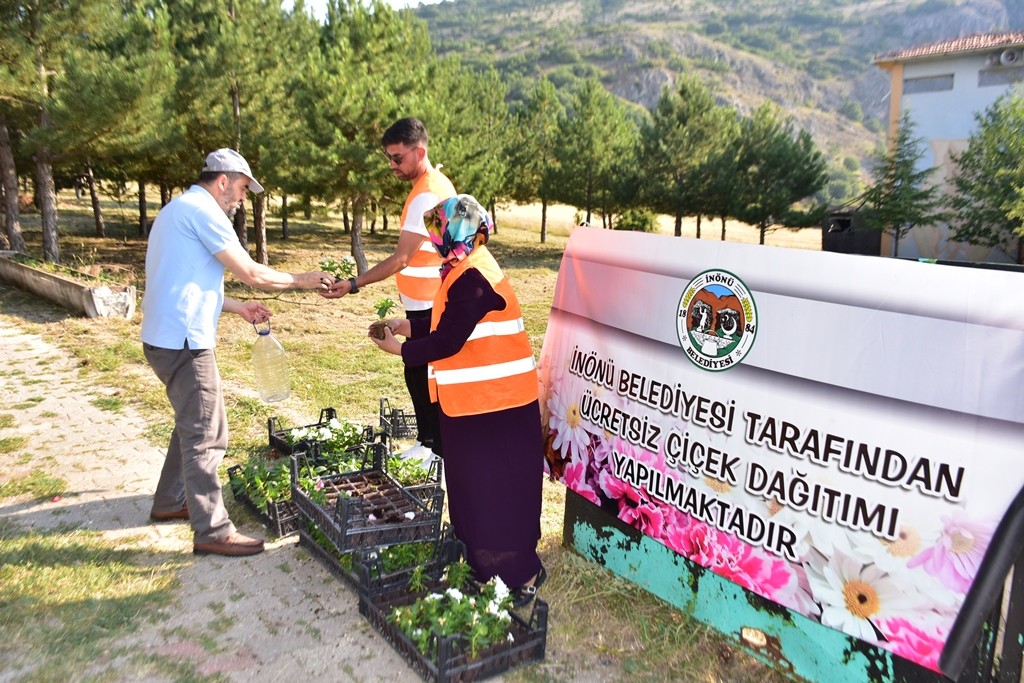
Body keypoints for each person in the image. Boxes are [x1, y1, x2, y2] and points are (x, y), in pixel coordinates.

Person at [141, 148, 335, 557]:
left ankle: (170, 500)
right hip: (185, 342)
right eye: (244, 188)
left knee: (191, 422)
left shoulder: (176, 210)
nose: (243, 198)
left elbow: (183, 281)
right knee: (207, 431)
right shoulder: (205, 212)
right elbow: (251, 272)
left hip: (162, 337)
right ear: (223, 181)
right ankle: (212, 530)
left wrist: (237, 307)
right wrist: (303, 279)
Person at [369, 194, 546, 607]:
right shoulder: (464, 268)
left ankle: (520, 576)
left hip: (497, 409)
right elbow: (450, 323)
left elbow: (449, 340)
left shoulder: (474, 276)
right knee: (474, 490)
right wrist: (408, 325)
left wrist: (401, 350)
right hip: (476, 406)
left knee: (496, 493)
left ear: (455, 233)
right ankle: (482, 569)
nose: (433, 242)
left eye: (437, 234)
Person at [321, 117, 456, 463]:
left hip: (429, 301)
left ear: (419, 152)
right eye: (389, 158)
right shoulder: (432, 184)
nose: (392, 166)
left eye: (397, 158)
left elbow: (401, 258)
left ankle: (436, 449)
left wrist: (354, 283)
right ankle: (428, 442)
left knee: (423, 373)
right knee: (418, 372)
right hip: (424, 299)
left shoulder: (427, 193)